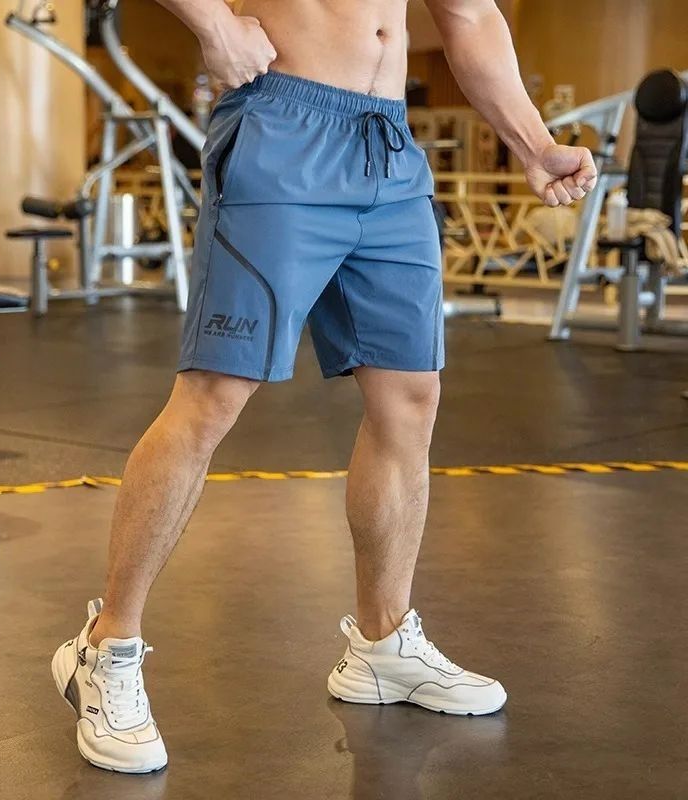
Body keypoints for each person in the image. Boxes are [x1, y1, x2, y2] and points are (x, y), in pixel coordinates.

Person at [51, 0, 597, 773]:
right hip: (283, 127)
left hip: (388, 146)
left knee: (410, 397)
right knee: (214, 394)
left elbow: (470, 14)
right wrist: (213, 24)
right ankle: (105, 648)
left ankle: (382, 643)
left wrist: (535, 145)